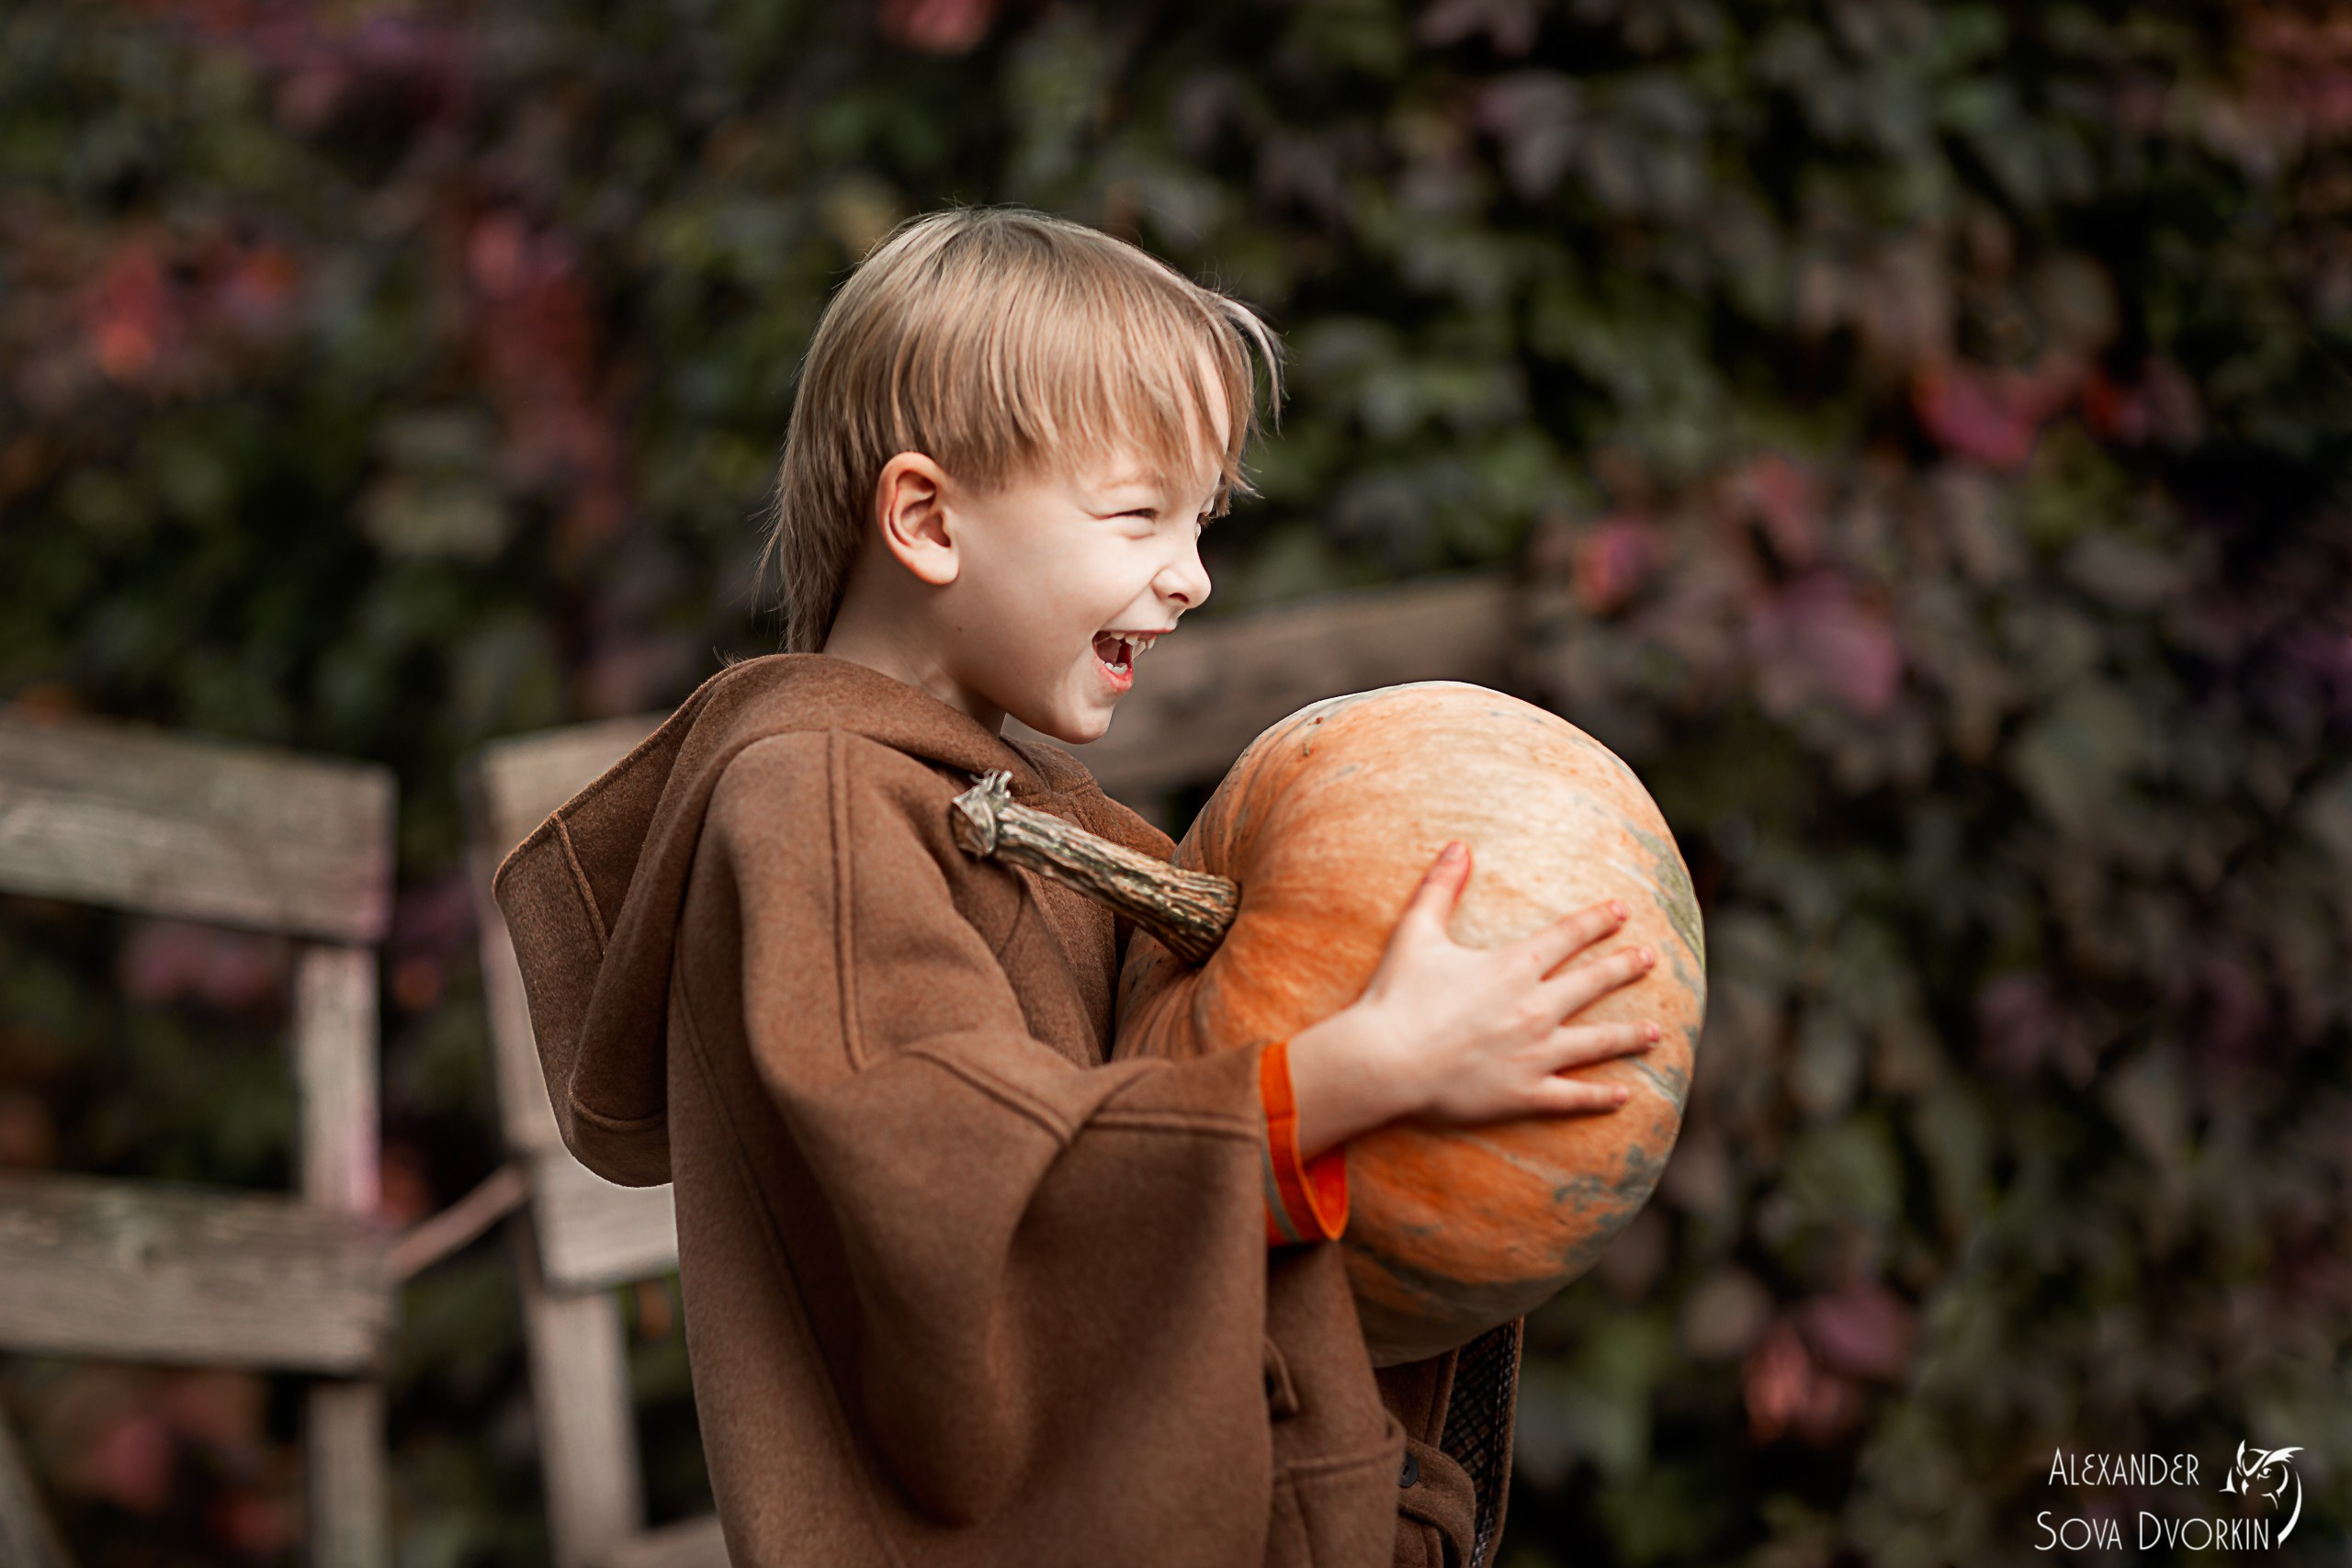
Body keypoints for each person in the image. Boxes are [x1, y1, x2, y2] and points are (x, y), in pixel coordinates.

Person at [494, 206, 1660, 1568]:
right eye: (1137, 516)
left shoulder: (1029, 815)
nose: (1192, 576)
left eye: (1205, 520)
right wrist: (1360, 1071)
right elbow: (956, 1187)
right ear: (926, 519)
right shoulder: (811, 801)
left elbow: (1197, 1075)